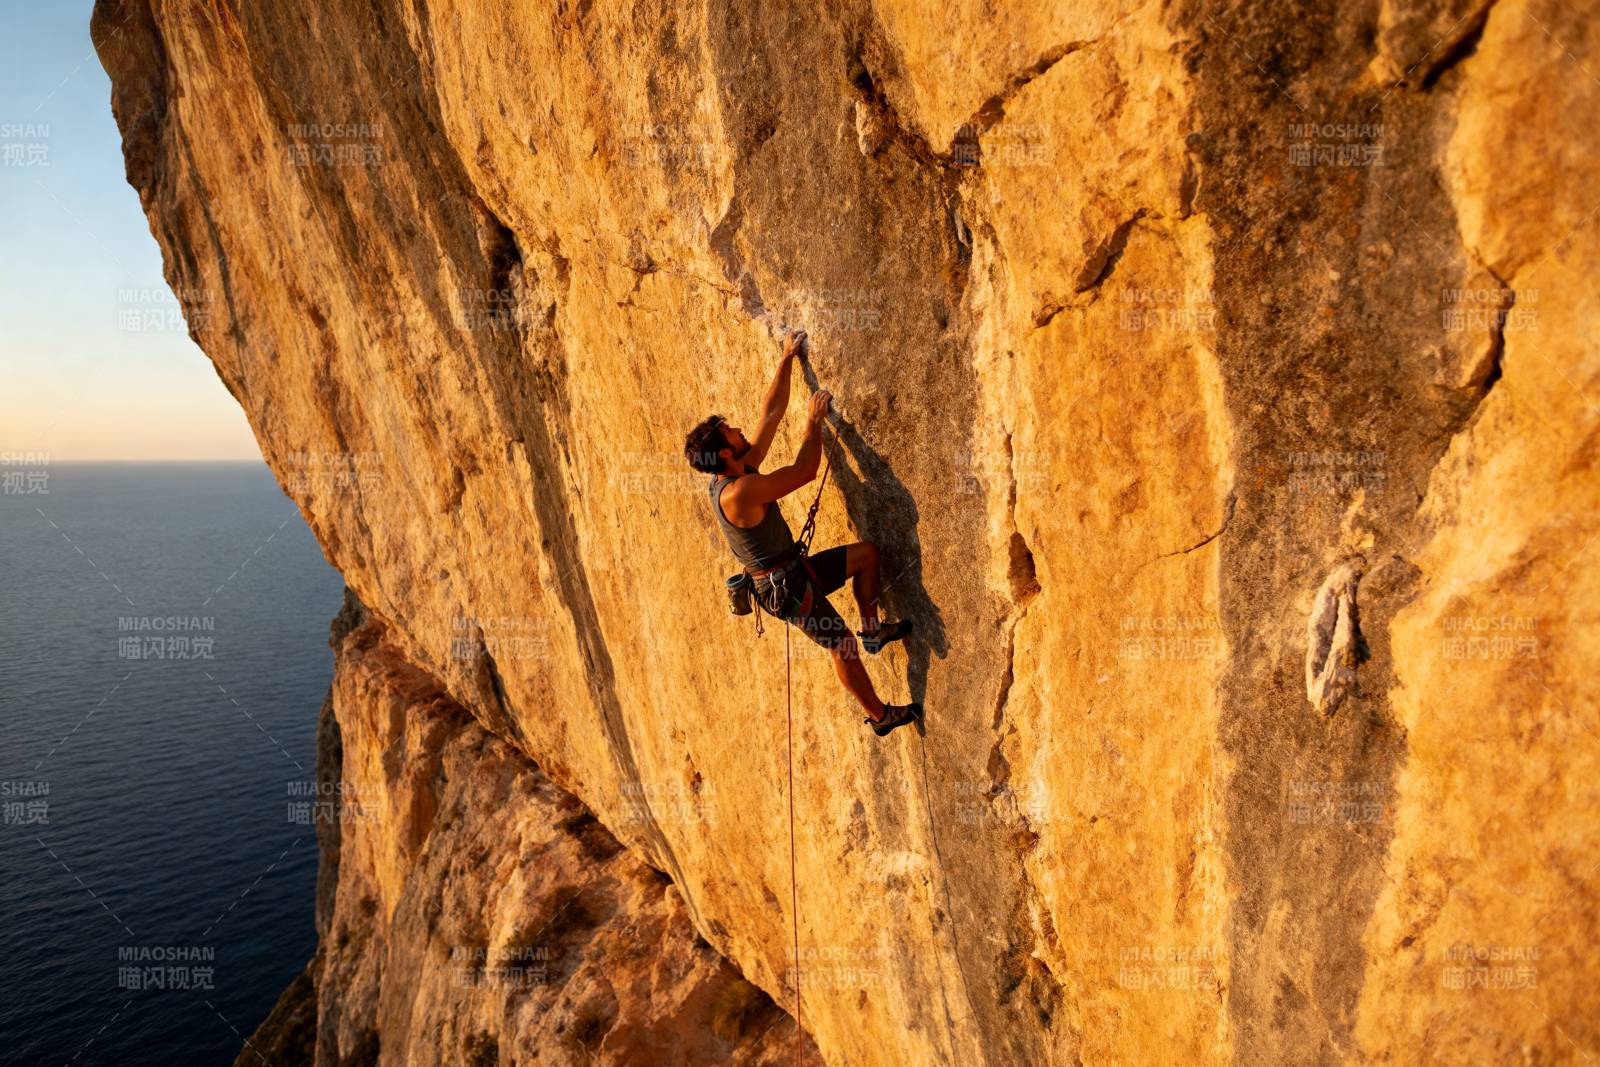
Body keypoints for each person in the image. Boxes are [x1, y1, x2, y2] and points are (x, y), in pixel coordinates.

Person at [684, 330, 922, 736]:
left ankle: (873, 630)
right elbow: (804, 473)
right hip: (787, 590)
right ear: (725, 451)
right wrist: (813, 425)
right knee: (839, 645)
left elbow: (769, 415)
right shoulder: (740, 492)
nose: (740, 430)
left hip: (795, 571)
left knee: (867, 556)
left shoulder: (733, 472)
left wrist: (786, 359)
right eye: (731, 432)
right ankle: (881, 718)